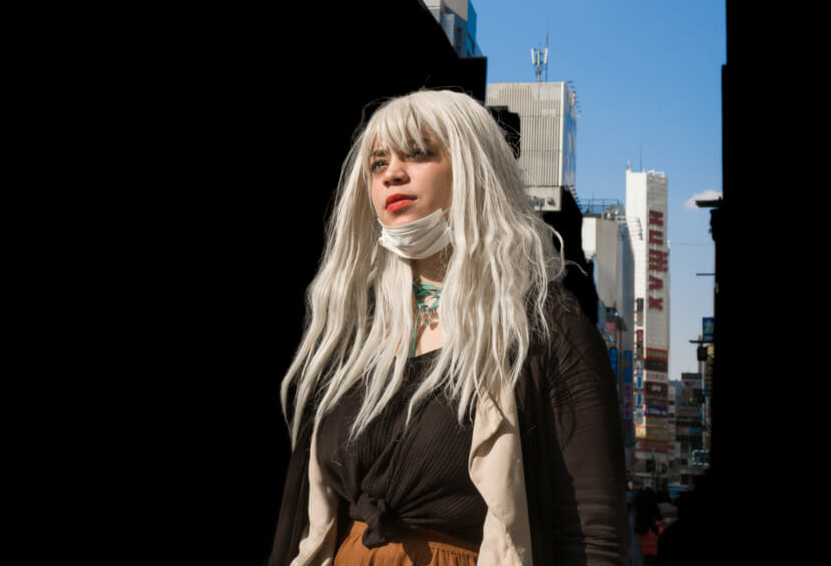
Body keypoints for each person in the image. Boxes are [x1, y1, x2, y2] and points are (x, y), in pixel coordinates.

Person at [268, 89, 630, 566]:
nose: (392, 173)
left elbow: (593, 533)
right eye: (378, 164)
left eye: (418, 153)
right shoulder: (353, 334)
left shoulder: (545, 328)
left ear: (473, 170)